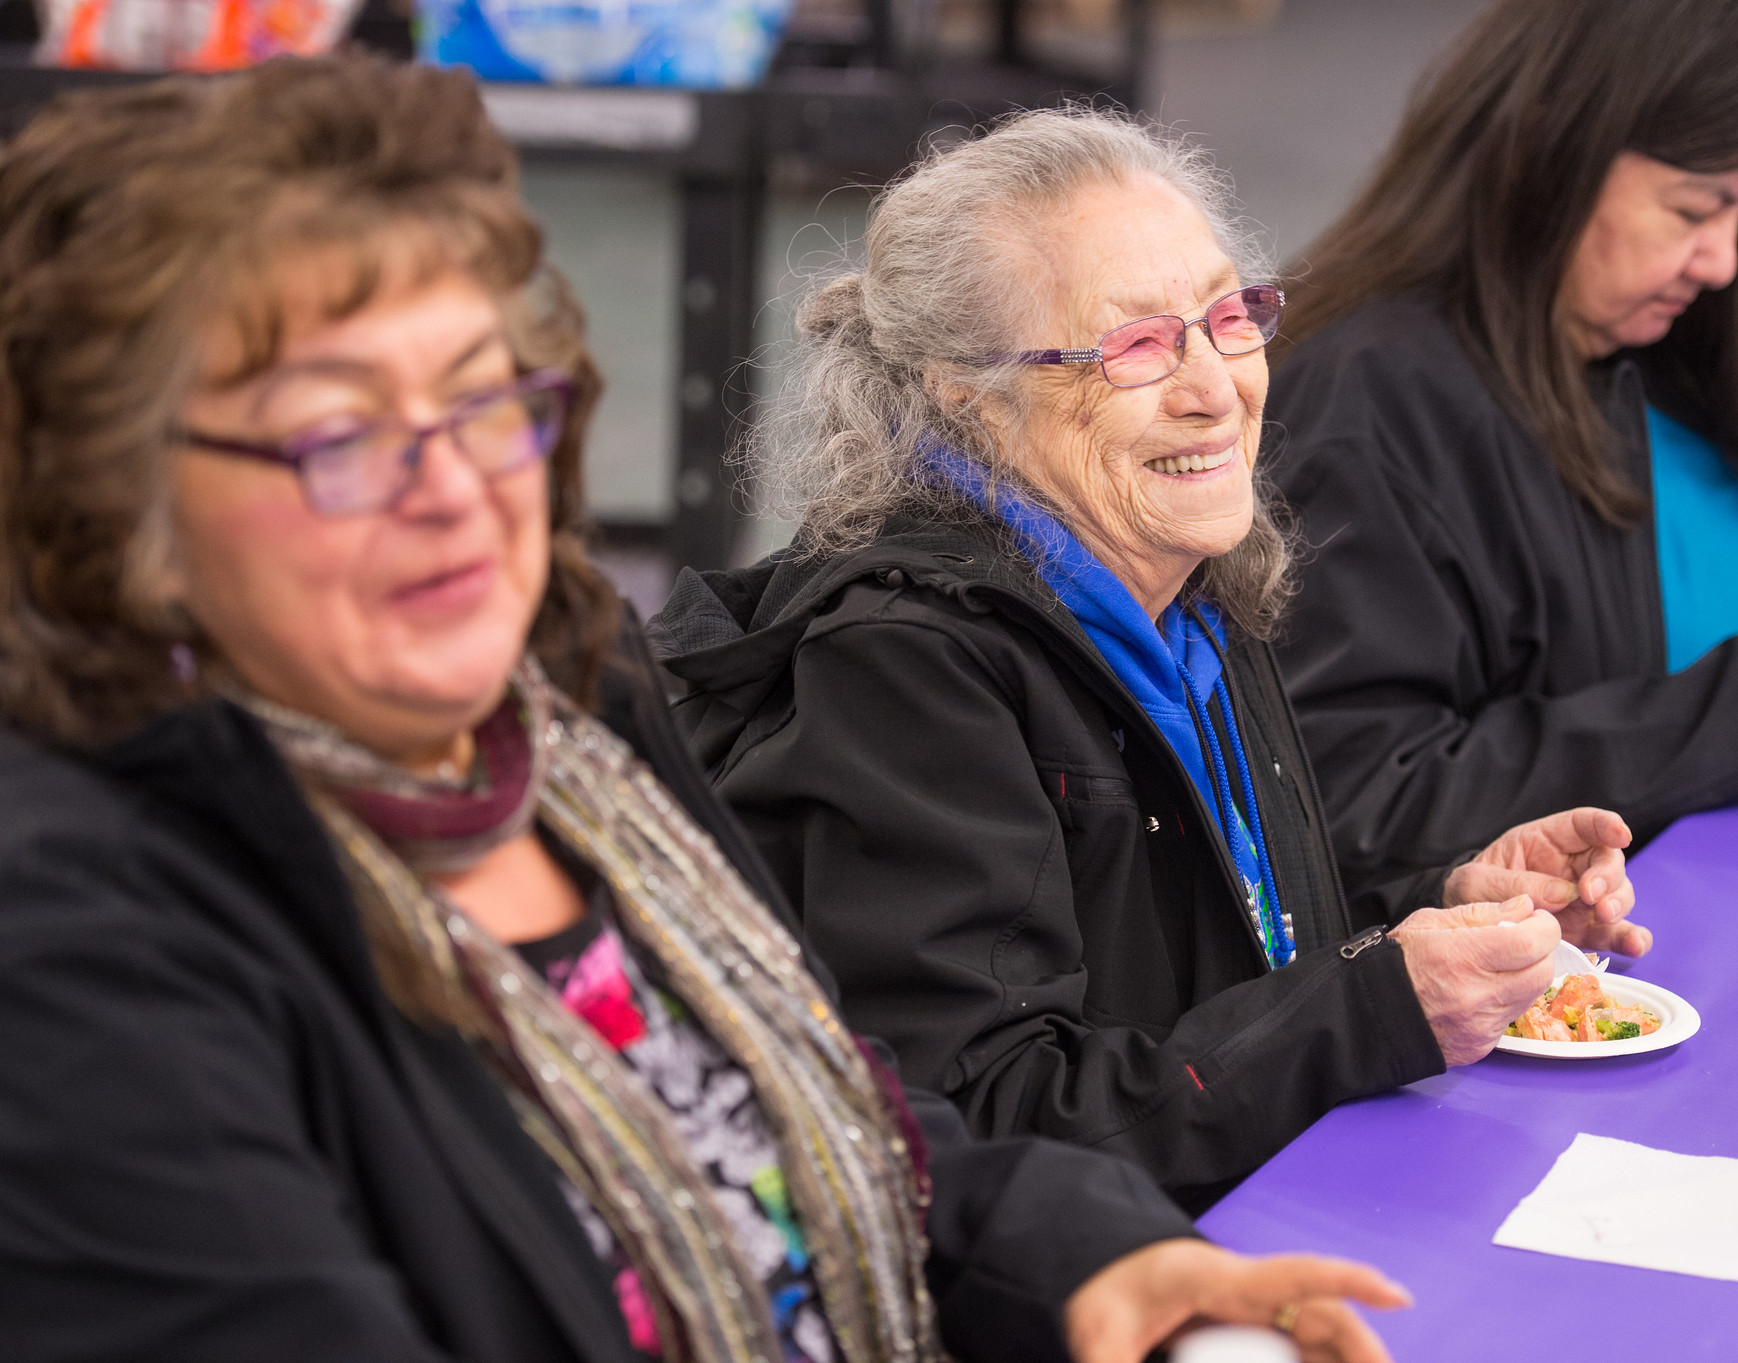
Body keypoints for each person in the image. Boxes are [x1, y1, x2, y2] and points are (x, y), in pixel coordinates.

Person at [0, 59, 1415, 1363]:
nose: (451, 487)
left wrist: (1084, 1251)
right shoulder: (87, 941)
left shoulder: (568, 724)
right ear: (124, 509)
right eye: (340, 436)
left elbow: (822, 1112)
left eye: (482, 401)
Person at [652, 108, 1646, 1212]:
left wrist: (1442, 897)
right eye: (1133, 346)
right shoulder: (906, 670)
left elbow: (1204, 936)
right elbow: (977, 1122)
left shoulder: (1181, 581)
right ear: (967, 394)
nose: (1213, 386)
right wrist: (1370, 1007)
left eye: (1228, 317)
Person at [1263, 0, 1738, 907]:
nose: (1722, 264)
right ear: (1551, 151)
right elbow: (1354, 800)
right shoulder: (1371, 406)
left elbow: (1647, 612)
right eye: (1694, 210)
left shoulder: (1646, 358)